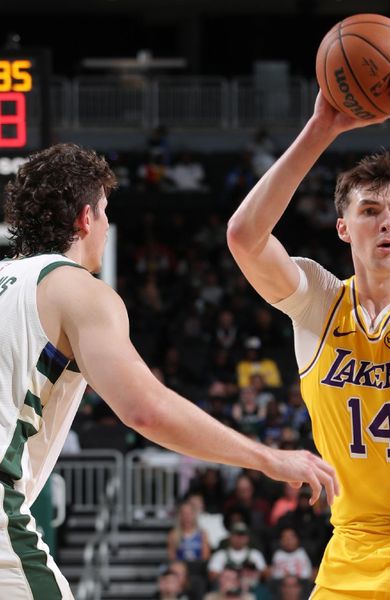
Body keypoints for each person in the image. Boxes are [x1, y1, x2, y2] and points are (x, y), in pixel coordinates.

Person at [0, 143, 337, 599]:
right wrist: (271, 459)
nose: (105, 226)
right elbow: (146, 410)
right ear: (84, 219)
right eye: (103, 212)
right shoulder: (78, 290)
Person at [227, 49, 390, 598]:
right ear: (344, 228)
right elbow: (244, 239)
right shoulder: (321, 305)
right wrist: (322, 125)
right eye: (370, 211)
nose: (387, 222)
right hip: (351, 550)